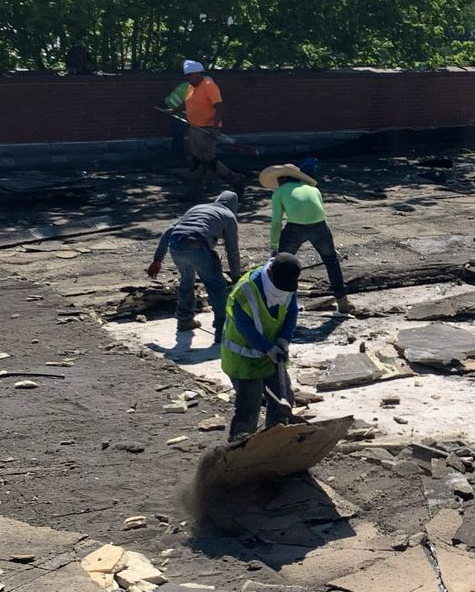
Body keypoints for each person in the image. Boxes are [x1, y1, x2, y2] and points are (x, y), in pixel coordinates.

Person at [222, 252, 300, 439]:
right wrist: (267, 347)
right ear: (271, 273)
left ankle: (274, 442)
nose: (282, 290)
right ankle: (238, 449)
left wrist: (284, 339)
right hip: (243, 359)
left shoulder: (287, 282)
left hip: (270, 355)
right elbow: (245, 327)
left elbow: (291, 312)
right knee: (250, 405)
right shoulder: (245, 291)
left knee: (284, 399)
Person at [146, 190, 242, 336]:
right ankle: (222, 329)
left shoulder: (197, 208)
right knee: (216, 286)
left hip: (176, 245)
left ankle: (184, 320)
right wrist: (236, 277)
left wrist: (157, 259)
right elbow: (232, 251)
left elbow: (169, 230)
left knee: (186, 282)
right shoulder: (229, 216)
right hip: (197, 247)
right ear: (234, 206)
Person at [262, 158, 350, 316]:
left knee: (283, 265)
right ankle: (342, 301)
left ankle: (281, 302)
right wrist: (331, 247)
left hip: (295, 228)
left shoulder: (279, 193)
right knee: (331, 261)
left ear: (282, 179)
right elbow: (320, 214)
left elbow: (276, 222)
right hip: (320, 227)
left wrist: (274, 247)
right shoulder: (313, 189)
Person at [181, 60, 226, 198]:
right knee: (196, 159)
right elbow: (188, 103)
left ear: (199, 74)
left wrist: (215, 128)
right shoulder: (192, 87)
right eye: (186, 76)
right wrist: (174, 110)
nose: (188, 78)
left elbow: (219, 106)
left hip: (206, 129)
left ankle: (234, 179)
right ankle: (195, 190)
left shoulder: (208, 85)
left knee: (206, 160)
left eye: (190, 75)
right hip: (195, 127)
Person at [163, 64, 194, 163]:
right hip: (176, 109)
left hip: (173, 106)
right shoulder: (193, 89)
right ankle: (179, 155)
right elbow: (185, 104)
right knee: (179, 131)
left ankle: (178, 153)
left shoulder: (187, 85)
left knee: (178, 133)